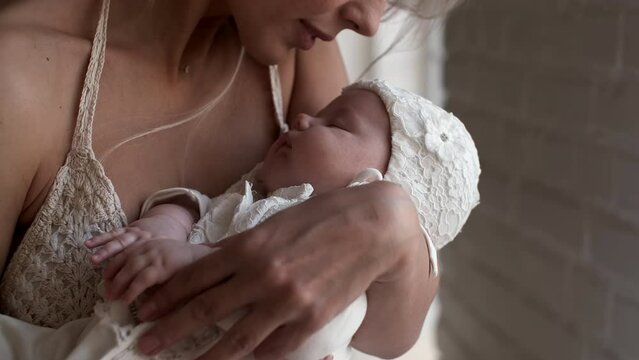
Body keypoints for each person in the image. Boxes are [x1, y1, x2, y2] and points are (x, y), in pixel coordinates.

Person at [0, 0, 462, 359]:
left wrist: (394, 227)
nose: (369, 21)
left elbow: (380, 322)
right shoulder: (18, 77)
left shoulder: (301, 57)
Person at [84, 79, 480, 360]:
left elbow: (298, 330)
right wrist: (166, 223)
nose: (305, 118)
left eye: (337, 124)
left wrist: (195, 262)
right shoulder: (254, 198)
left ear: (369, 187)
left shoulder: (340, 281)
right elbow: (203, 208)